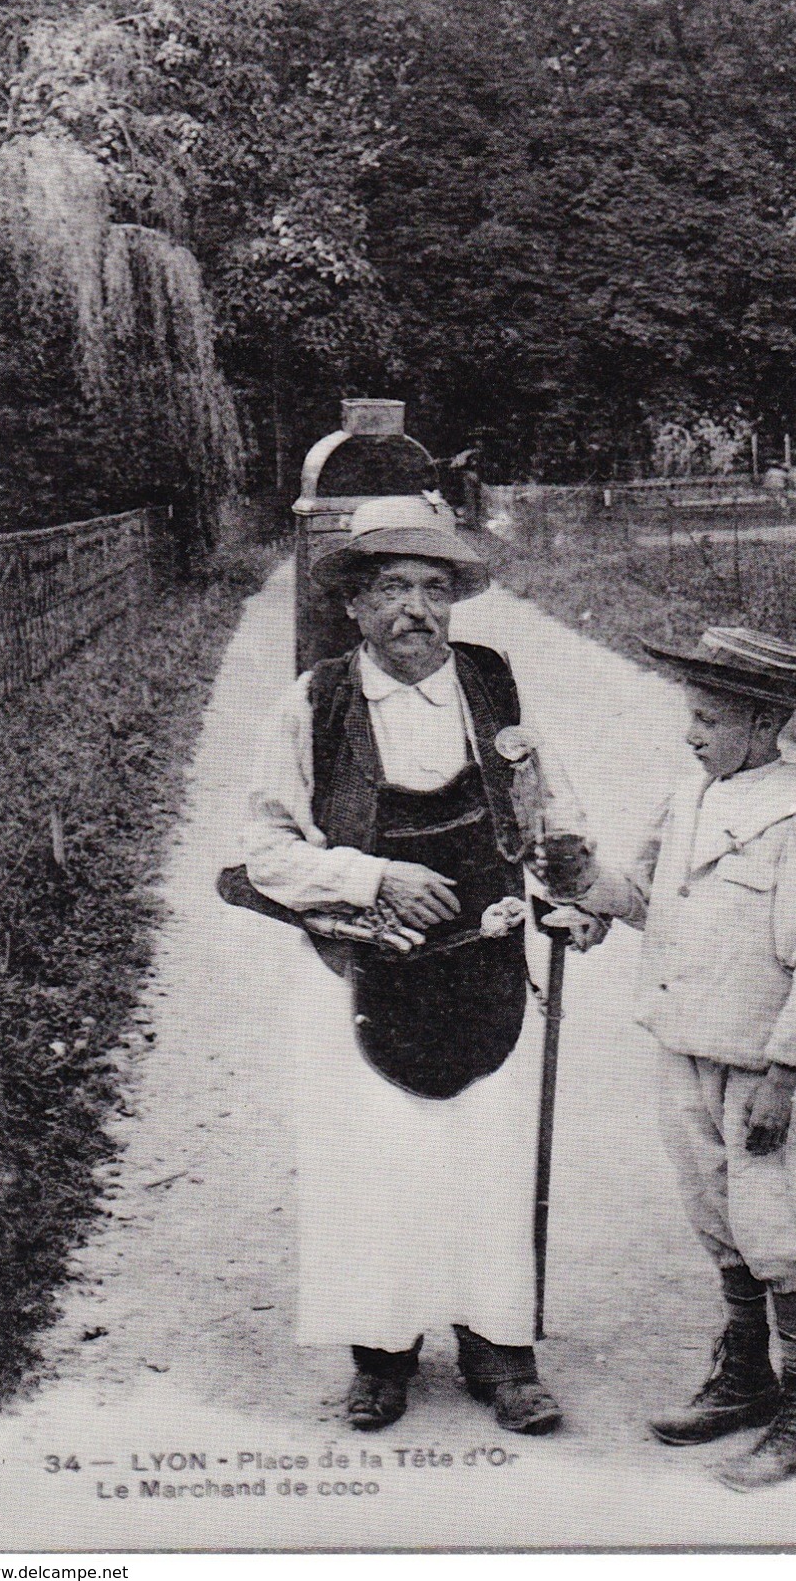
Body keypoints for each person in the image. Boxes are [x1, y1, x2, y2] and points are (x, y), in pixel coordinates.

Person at [242, 494, 562, 1436]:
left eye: (433, 588)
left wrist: (572, 880)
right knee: (370, 1156)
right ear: (351, 603)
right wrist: (373, 875)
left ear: (457, 599)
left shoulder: (494, 685)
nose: (414, 610)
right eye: (390, 588)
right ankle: (379, 1352)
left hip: (487, 968)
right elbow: (264, 848)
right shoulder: (315, 700)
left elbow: (548, 812)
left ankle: (499, 1349)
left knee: (488, 1154)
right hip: (362, 973)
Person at [566, 626, 796, 1490]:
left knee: (777, 1225)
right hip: (684, 1046)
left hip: (759, 1066)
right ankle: (746, 1376)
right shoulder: (689, 796)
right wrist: (582, 885)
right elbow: (640, 898)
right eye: (688, 713)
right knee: (716, 1215)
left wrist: (783, 1077)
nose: (689, 732)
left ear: (765, 723)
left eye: (707, 717)